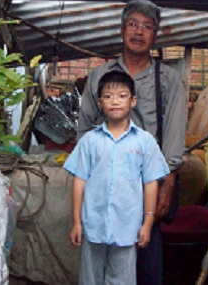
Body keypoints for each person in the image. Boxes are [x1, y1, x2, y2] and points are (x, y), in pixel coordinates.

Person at [78, 0, 187, 285]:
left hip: (146, 184)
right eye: (133, 25)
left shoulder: (168, 79)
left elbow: (175, 132)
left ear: (155, 35)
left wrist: (168, 183)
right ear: (122, 30)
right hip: (104, 182)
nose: (139, 32)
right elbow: (84, 131)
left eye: (147, 27)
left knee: (145, 254)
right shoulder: (99, 77)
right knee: (99, 258)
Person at [64, 70, 170, 285]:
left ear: (133, 101)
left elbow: (150, 183)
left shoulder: (145, 142)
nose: (115, 102)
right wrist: (76, 222)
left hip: (127, 226)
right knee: (89, 279)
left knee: (122, 279)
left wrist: (147, 223)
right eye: (108, 96)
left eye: (122, 96)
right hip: (93, 225)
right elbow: (79, 181)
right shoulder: (89, 141)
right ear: (100, 102)